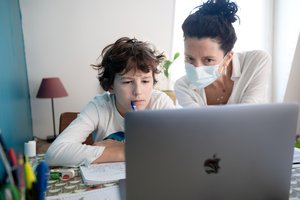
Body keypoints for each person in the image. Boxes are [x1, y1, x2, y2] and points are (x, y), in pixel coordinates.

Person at [45, 37, 175, 167]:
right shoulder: (99, 106)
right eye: (127, 82)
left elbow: (178, 149)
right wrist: (125, 151)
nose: (138, 92)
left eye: (145, 81)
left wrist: (125, 149)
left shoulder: (160, 103)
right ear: (111, 86)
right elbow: (55, 153)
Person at [174, 0, 271, 107]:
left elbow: (247, 116)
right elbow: (199, 123)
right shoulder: (182, 86)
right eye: (190, 58)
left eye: (208, 60)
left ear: (228, 58)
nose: (196, 68)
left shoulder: (256, 62)